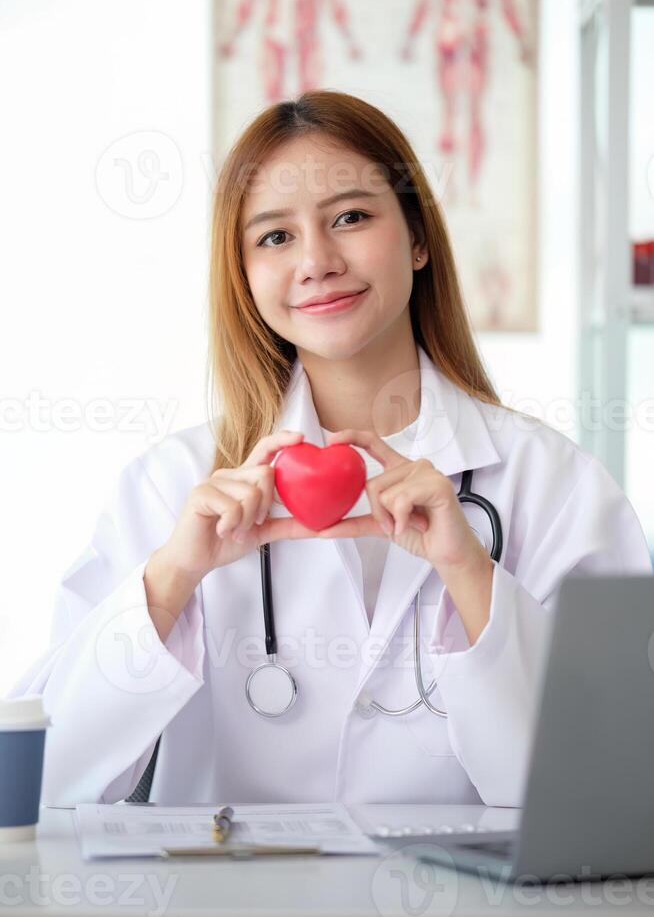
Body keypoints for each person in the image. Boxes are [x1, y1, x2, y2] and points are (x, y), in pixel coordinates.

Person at [8, 90, 652, 809]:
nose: (316, 261)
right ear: (245, 278)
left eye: (350, 217)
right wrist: (170, 581)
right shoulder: (169, 487)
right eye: (274, 237)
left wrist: (471, 574)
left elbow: (611, 795)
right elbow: (34, 787)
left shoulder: (554, 485)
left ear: (417, 237)